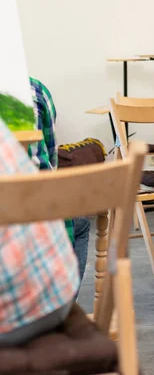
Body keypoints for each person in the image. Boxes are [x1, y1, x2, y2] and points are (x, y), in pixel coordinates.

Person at [0, 117, 80, 345]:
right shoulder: (34, 92)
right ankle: (73, 294)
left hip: (12, 321)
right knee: (78, 223)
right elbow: (50, 165)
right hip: (54, 300)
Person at [29, 77, 90, 281]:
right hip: (34, 210)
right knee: (80, 223)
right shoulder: (35, 90)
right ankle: (62, 308)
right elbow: (51, 158)